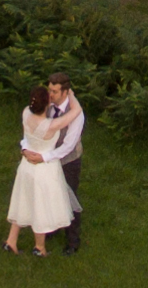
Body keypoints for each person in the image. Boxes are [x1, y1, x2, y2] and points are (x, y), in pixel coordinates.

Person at [2, 80, 79, 256]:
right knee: (41, 207)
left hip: (26, 166)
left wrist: (24, 148)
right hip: (44, 170)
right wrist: (71, 94)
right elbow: (76, 111)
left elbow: (27, 138)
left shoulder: (25, 114)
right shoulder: (51, 125)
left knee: (22, 200)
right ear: (47, 103)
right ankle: (40, 247)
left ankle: (11, 241)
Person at [42, 76, 87, 253]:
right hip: (49, 156)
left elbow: (68, 145)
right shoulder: (48, 105)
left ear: (65, 92)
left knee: (69, 197)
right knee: (48, 194)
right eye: (49, 90)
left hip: (69, 161)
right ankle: (52, 227)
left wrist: (47, 157)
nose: (50, 94)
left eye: (54, 91)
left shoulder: (76, 114)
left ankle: (73, 240)